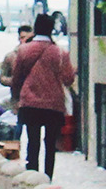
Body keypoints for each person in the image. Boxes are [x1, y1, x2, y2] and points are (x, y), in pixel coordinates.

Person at [10, 12, 76, 179]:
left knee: (33, 142)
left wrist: (17, 97)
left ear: (35, 28)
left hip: (30, 103)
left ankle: (32, 176)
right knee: (50, 144)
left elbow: (16, 78)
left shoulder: (24, 50)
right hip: (53, 104)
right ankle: (48, 177)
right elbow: (68, 79)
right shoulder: (60, 53)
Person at [0, 24, 33, 112]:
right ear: (19, 38)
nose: (25, 41)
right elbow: (2, 77)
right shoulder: (11, 56)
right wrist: (13, 81)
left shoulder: (39, 56)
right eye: (23, 37)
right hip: (16, 100)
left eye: (29, 39)